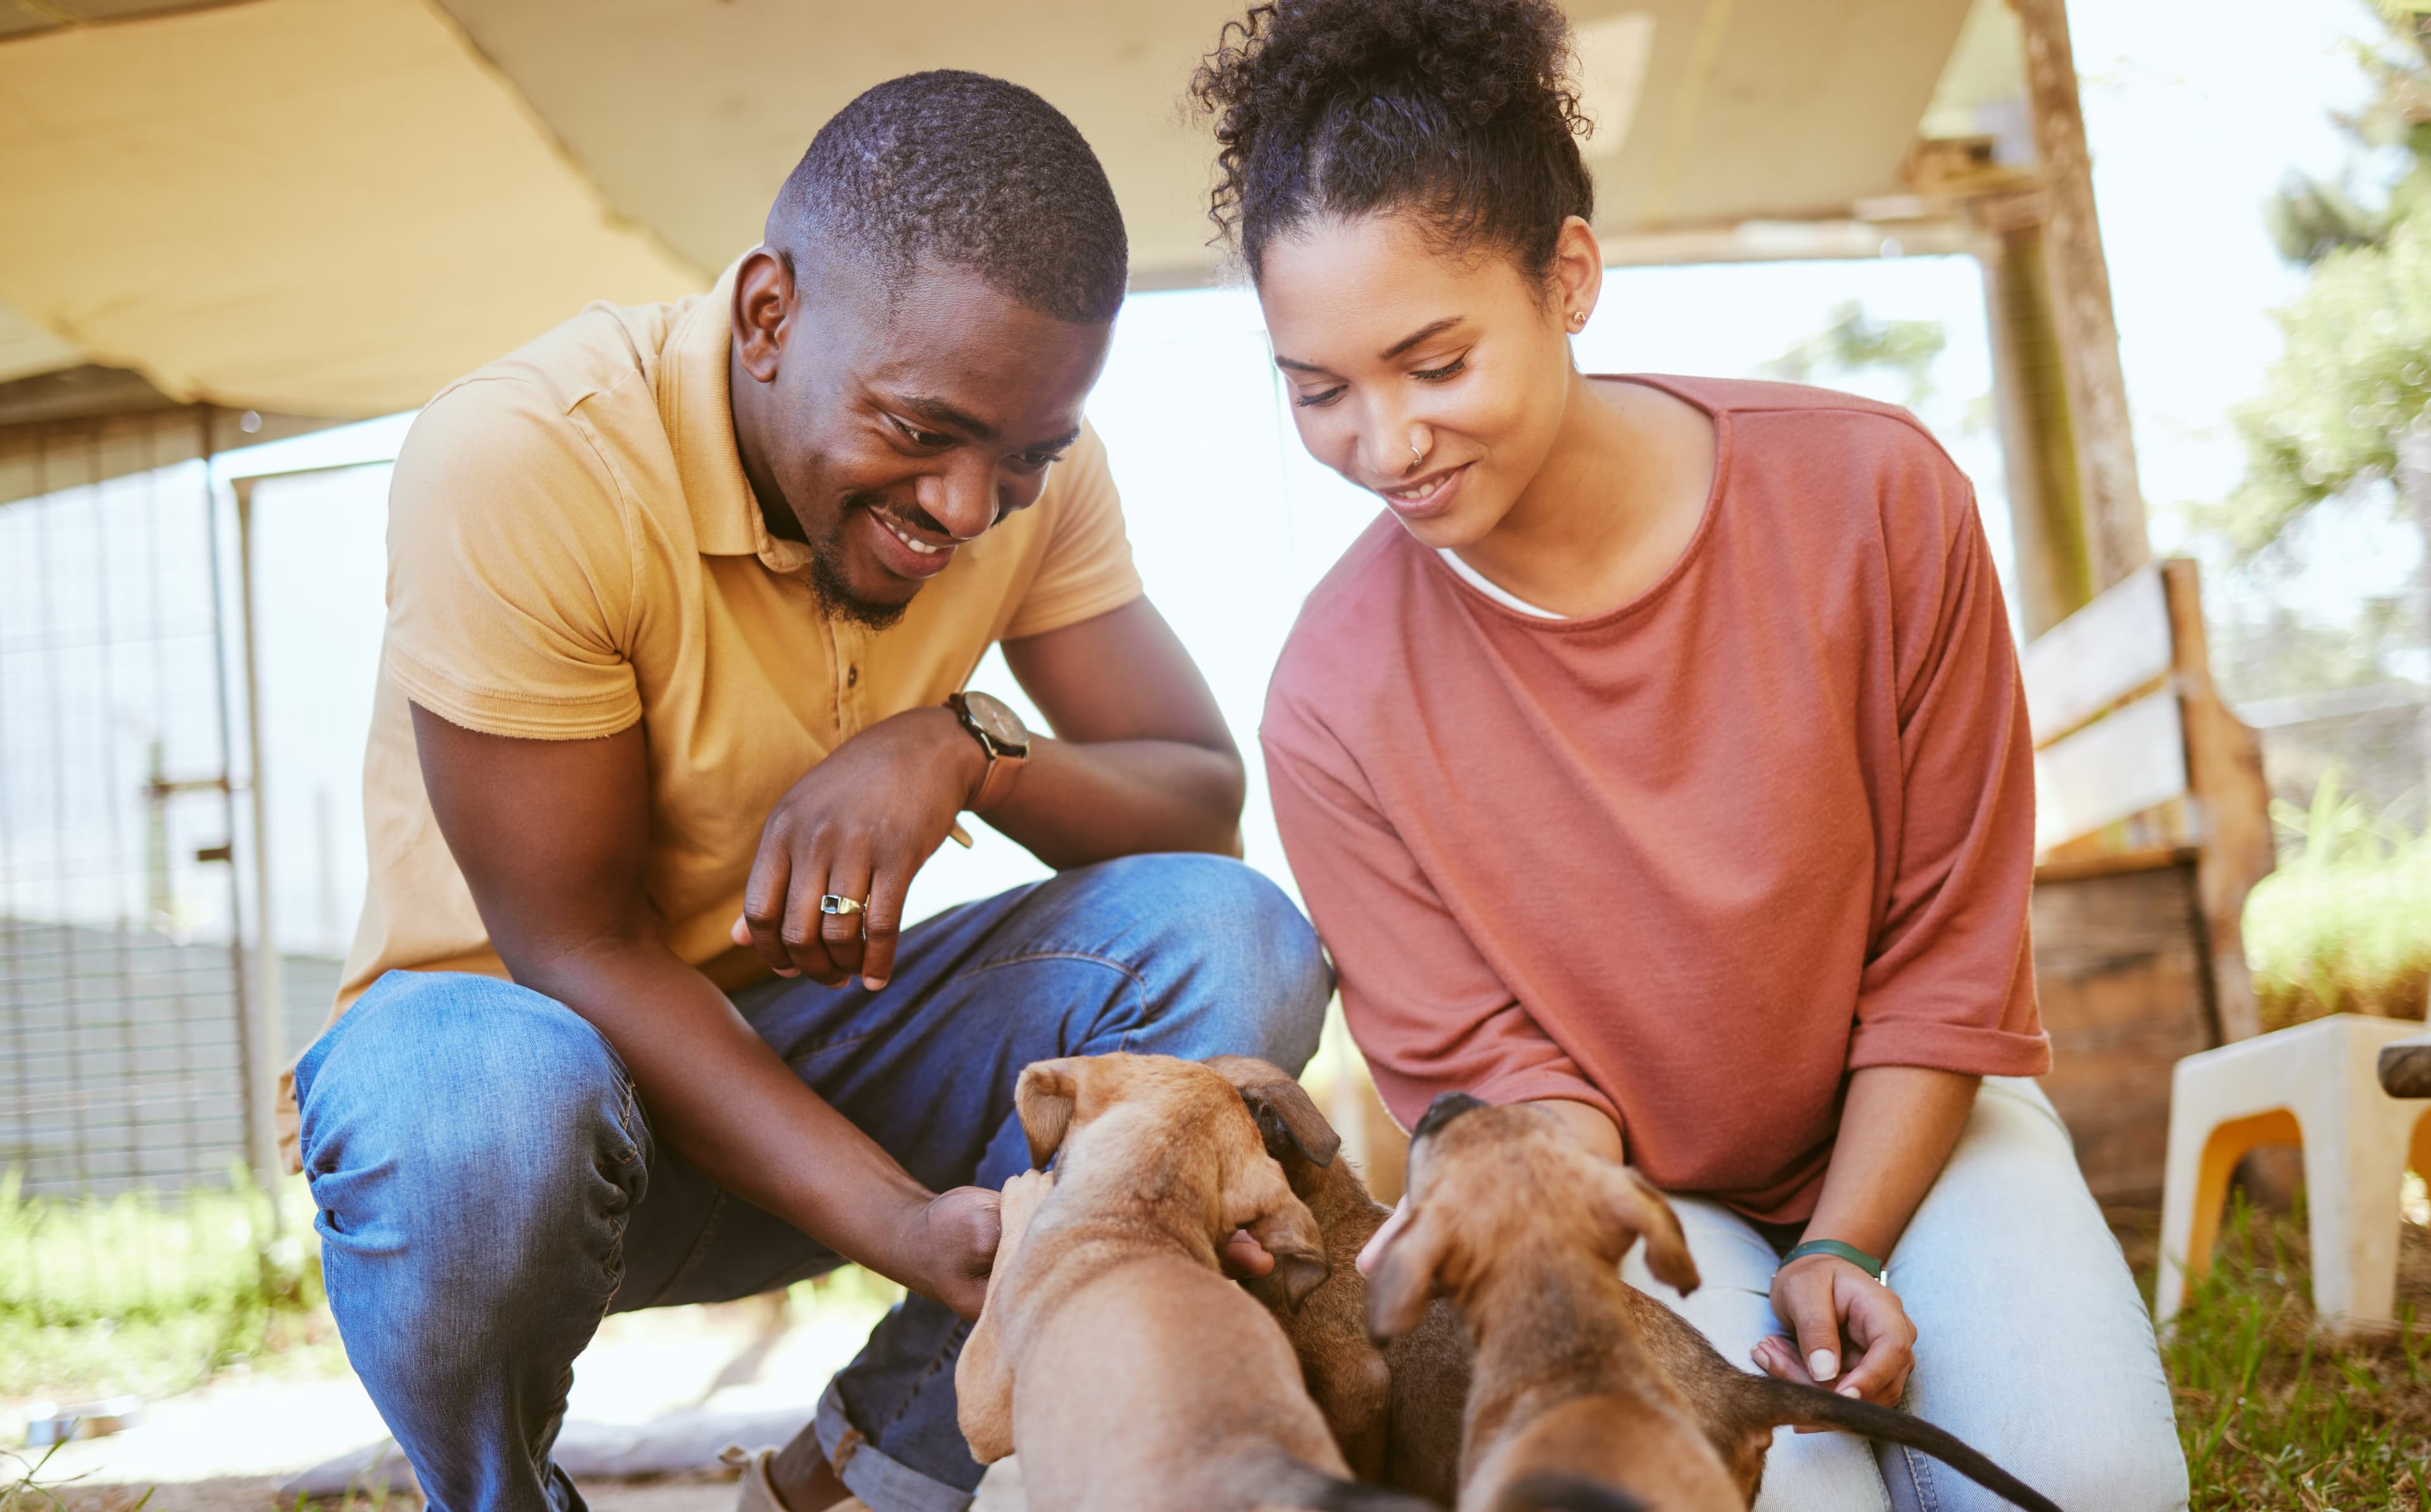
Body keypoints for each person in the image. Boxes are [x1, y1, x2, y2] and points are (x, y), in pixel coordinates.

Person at [286, 71, 1328, 1512]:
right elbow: (574, 948)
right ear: (769, 314)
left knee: (1235, 939)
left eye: (1023, 456)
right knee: (479, 1097)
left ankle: (869, 1469)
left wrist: (967, 741)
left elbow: (1197, 798)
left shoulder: (1027, 461)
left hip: (825, 1061)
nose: (967, 509)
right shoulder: (532, 458)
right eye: (921, 433)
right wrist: (900, 1219)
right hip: (535, 1120)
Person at [1192, 3, 2190, 1509]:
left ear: (1569, 278)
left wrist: (1848, 1237)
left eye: (1433, 360)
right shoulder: (1328, 699)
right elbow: (1512, 1087)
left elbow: (1949, 946)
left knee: (2092, 1487)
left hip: (1920, 1108)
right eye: (1319, 389)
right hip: (1639, 1199)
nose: (1384, 441)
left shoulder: (1878, 500)